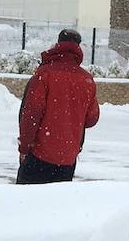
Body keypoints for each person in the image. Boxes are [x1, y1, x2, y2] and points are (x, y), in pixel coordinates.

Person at [16, 29, 100, 184]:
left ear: (58, 43)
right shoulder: (86, 80)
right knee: (58, 205)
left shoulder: (44, 74)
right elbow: (92, 119)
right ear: (78, 47)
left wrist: (24, 149)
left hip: (39, 156)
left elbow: (30, 115)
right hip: (68, 159)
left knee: (26, 203)